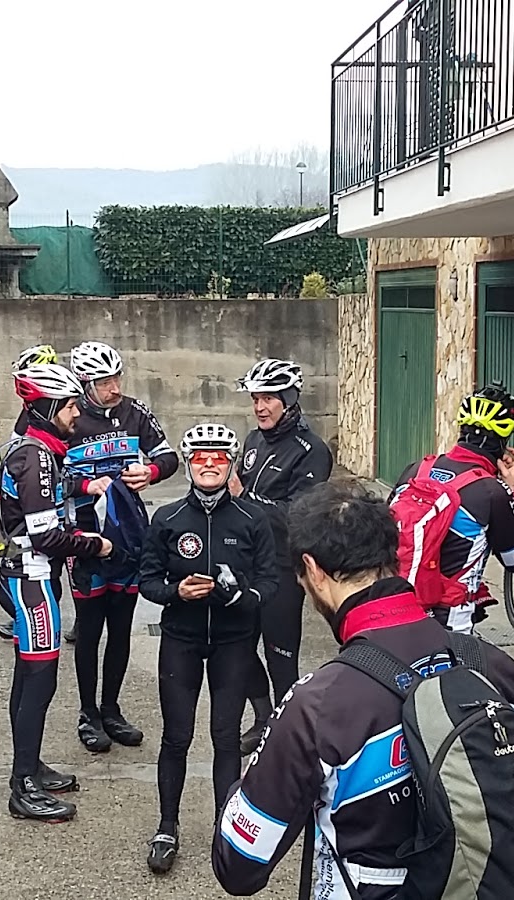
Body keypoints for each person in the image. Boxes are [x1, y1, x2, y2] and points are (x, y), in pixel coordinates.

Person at [211, 482, 514, 898]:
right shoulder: (498, 669)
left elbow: (238, 866)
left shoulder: (317, 705)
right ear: (392, 555)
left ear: (313, 570)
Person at [139, 423, 278, 875]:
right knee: (176, 736)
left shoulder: (252, 519)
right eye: (201, 457)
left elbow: (270, 582)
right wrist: (176, 592)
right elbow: (147, 581)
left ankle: (225, 824)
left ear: (232, 463)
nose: (210, 464)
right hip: (181, 638)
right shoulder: (168, 518)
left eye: (219, 457)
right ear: (188, 464)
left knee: (225, 737)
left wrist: (240, 598)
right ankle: (167, 826)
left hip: (233, 641)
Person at [0, 362, 116, 822]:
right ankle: (23, 785)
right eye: (68, 406)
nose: (76, 413)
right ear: (46, 409)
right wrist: (95, 544)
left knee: (28, 678)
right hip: (32, 579)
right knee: (38, 679)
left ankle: (29, 767)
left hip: (28, 575)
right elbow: (46, 534)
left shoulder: (34, 449)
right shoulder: (36, 457)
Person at [62, 340, 180, 753]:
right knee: (90, 627)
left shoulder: (134, 412)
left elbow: (169, 456)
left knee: (121, 627)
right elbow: (43, 473)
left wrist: (151, 471)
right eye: (104, 382)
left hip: (128, 535)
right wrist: (84, 485)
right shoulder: (67, 416)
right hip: (84, 537)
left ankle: (111, 709)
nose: (114, 388)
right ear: (84, 384)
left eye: (117, 378)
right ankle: (88, 713)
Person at [230, 357, 332, 752]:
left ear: (289, 400)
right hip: (244, 561)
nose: (260, 407)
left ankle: (287, 729)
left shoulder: (312, 451)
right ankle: (263, 718)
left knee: (280, 656)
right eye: (255, 398)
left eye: (269, 398)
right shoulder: (254, 440)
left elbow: (297, 516)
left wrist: (244, 497)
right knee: (237, 647)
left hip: (281, 568)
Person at [390, 383, 514, 634]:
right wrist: (513, 491)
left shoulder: (416, 470)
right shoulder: (491, 492)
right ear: (504, 439)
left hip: (393, 608)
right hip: (449, 622)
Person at [0, 342, 63, 642]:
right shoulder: (32, 424)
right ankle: (26, 624)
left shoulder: (47, 416)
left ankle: (32, 624)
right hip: (29, 536)